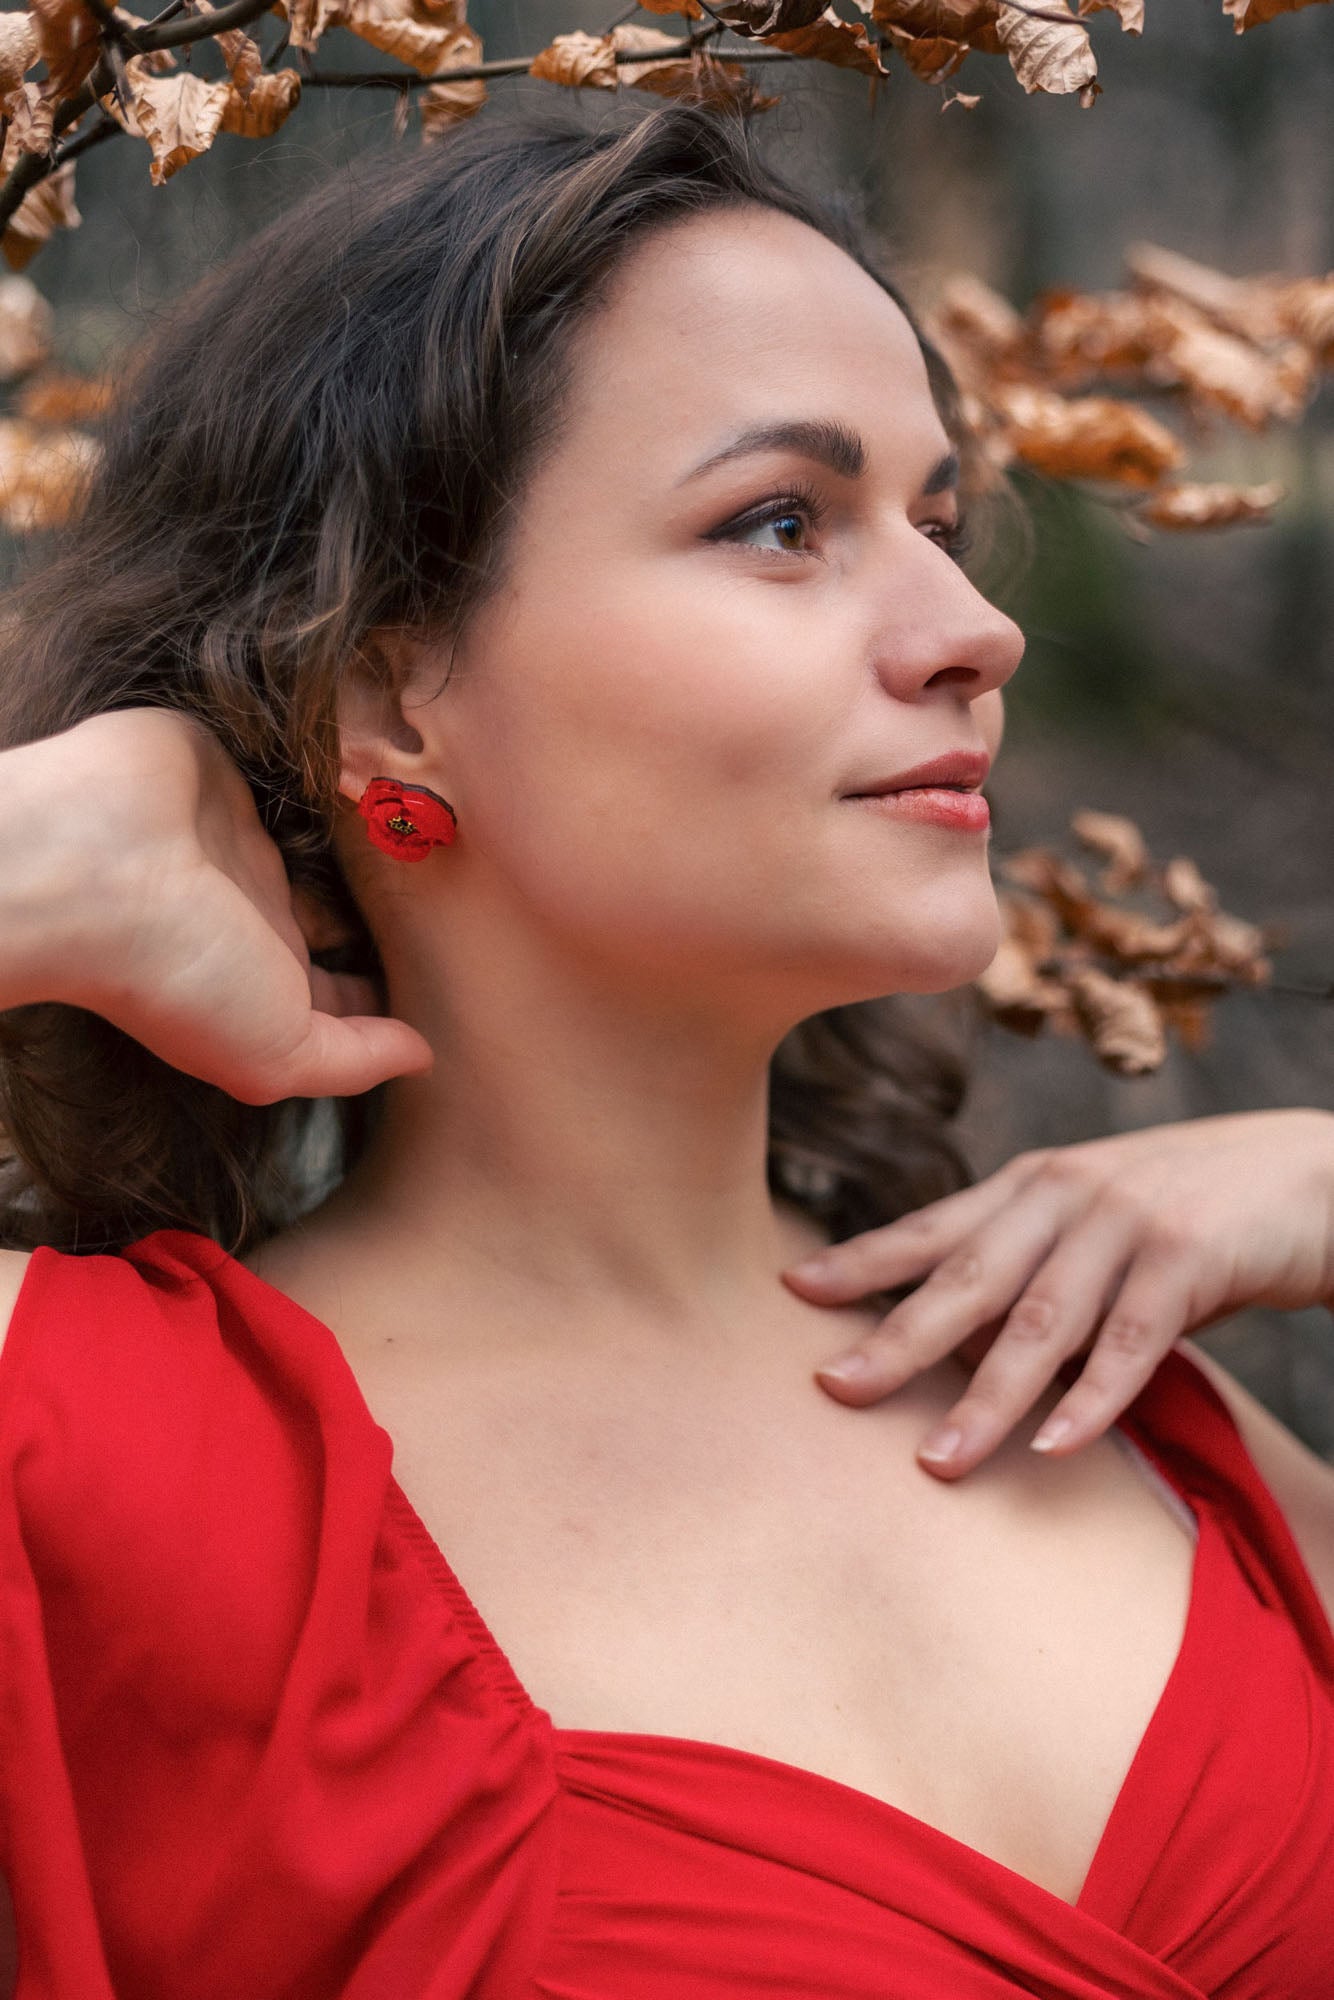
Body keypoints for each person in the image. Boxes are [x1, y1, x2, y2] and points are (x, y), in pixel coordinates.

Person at [0, 103, 1331, 1999]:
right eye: (779, 523)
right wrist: (40, 853)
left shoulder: (1121, 1405)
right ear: (388, 690)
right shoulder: (105, 1441)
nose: (974, 631)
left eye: (937, 527)